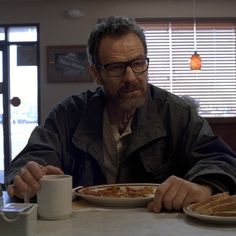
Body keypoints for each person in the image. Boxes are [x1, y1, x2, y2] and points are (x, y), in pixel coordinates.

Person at [5, 16, 236, 213]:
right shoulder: (69, 113)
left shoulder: (176, 113)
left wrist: (204, 186)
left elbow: (220, 159)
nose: (131, 77)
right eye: (116, 67)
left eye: (138, 63)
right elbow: (32, 158)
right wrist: (28, 176)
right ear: (96, 73)